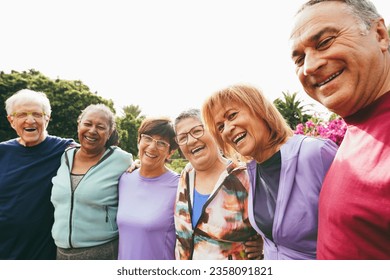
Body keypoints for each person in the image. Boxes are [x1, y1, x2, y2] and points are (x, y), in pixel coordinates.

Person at [289, 0, 390, 259]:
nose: (309, 66)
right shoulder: (358, 125)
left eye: (324, 43)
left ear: (380, 35)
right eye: (299, 59)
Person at [201, 84, 338, 260]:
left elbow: (356, 234)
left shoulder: (314, 153)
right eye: (220, 127)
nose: (227, 130)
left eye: (232, 115)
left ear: (260, 110)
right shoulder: (253, 171)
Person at [174, 108, 263, 260]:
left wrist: (264, 246)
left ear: (213, 131)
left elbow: (276, 229)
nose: (191, 140)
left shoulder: (243, 177)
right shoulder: (186, 175)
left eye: (197, 131)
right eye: (182, 137)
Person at [50, 104, 133, 260]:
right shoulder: (65, 156)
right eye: (87, 124)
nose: (92, 130)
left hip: (102, 251)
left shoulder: (121, 159)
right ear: (79, 125)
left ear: (109, 133)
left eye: (100, 127)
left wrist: (139, 166)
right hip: (61, 251)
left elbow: (142, 174)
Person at [0, 89, 74, 259]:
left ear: (46, 118)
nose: (30, 120)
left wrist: (136, 165)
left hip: (40, 255)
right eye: (22, 114)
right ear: (11, 120)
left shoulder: (66, 150)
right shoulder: (2, 152)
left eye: (37, 114)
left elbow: (101, 157)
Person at [117, 117, 180, 260]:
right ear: (138, 140)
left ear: (170, 152)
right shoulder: (124, 179)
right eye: (148, 138)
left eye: (161, 143)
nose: (152, 147)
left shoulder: (179, 186)